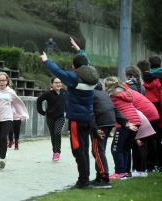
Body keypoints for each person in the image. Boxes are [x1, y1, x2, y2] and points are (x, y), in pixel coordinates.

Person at [40, 37, 99, 189]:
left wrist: (47, 60)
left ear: (74, 67)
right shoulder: (92, 75)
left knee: (77, 150)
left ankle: (83, 181)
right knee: (84, 149)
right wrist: (79, 50)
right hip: (88, 117)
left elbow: (57, 71)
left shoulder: (74, 78)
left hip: (76, 119)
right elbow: (87, 63)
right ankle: (84, 178)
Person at [91, 81, 138, 188]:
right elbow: (114, 109)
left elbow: (90, 112)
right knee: (99, 150)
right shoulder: (104, 94)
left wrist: (96, 129)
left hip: (100, 123)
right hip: (109, 122)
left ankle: (104, 179)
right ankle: (99, 177)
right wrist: (125, 123)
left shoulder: (90, 94)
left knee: (97, 150)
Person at [0, 72, 29, 169]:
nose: (1, 82)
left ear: (7, 81)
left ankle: (2, 158)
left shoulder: (11, 92)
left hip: (8, 118)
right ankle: (0, 152)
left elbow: (18, 104)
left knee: (4, 137)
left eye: (3, 80)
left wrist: (23, 115)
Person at [103, 76, 141, 180]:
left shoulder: (112, 96)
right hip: (136, 121)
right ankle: (126, 172)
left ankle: (119, 172)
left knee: (116, 149)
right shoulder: (125, 93)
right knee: (125, 148)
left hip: (125, 123)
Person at [137, 59, 162, 172]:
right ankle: (152, 164)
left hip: (143, 108)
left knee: (141, 137)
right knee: (154, 139)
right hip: (155, 109)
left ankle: (141, 165)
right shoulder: (157, 82)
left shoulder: (139, 83)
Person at [36, 76, 67, 161]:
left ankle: (58, 152)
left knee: (57, 132)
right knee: (53, 135)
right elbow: (39, 100)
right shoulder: (48, 93)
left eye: (60, 82)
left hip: (60, 117)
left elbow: (69, 102)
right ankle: (54, 152)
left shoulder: (64, 92)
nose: (58, 84)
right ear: (52, 84)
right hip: (50, 117)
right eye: (56, 83)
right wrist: (42, 112)